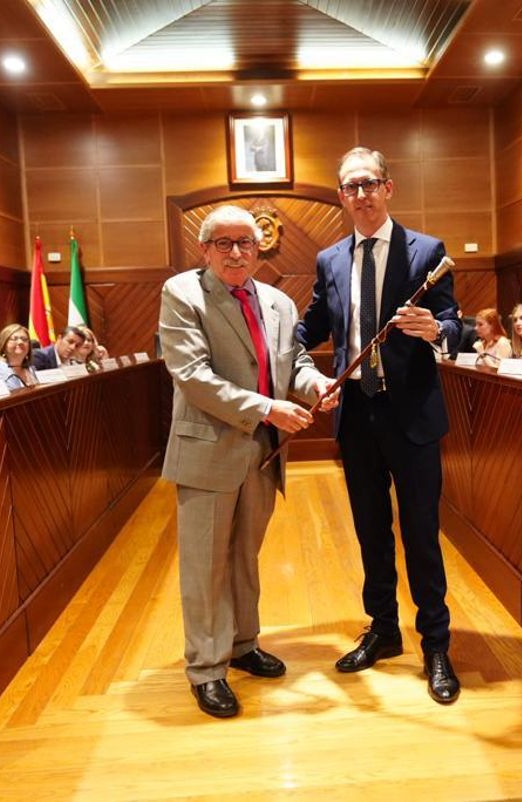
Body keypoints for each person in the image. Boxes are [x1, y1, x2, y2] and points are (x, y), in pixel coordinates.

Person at [296, 146, 463, 704]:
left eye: (370, 183)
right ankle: (384, 629)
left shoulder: (426, 252)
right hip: (356, 419)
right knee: (371, 533)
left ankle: (435, 643)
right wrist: (279, 358)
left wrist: (433, 328)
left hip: (411, 416)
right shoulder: (330, 259)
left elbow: (456, 327)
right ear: (341, 196)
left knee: (420, 534)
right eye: (350, 186)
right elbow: (313, 326)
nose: (361, 194)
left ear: (388, 188)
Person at [160, 205, 333, 719]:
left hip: (262, 451)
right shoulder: (182, 294)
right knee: (205, 564)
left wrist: (314, 384)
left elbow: (293, 362)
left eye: (247, 243)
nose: (237, 253)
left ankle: (242, 644)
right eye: (225, 243)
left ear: (260, 250)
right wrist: (267, 408)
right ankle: (206, 669)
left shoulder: (278, 301)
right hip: (208, 450)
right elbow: (191, 374)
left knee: (244, 556)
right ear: (205, 249)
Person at [0, 323, 39, 389]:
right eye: (15, 339)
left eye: (24, 339)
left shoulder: (31, 369)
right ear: (3, 344)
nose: (20, 342)